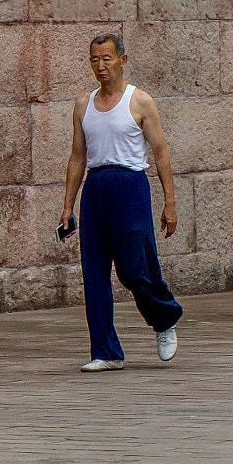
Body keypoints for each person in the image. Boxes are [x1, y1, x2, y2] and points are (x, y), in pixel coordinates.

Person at [61, 31, 184, 371]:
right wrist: (68, 206)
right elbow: (76, 156)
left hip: (130, 186)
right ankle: (105, 351)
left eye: (107, 59)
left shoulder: (140, 101)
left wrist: (169, 203)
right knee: (95, 273)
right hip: (96, 189)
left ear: (122, 61)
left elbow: (160, 153)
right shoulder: (83, 104)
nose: (100, 66)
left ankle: (164, 318)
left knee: (133, 269)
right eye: (94, 60)